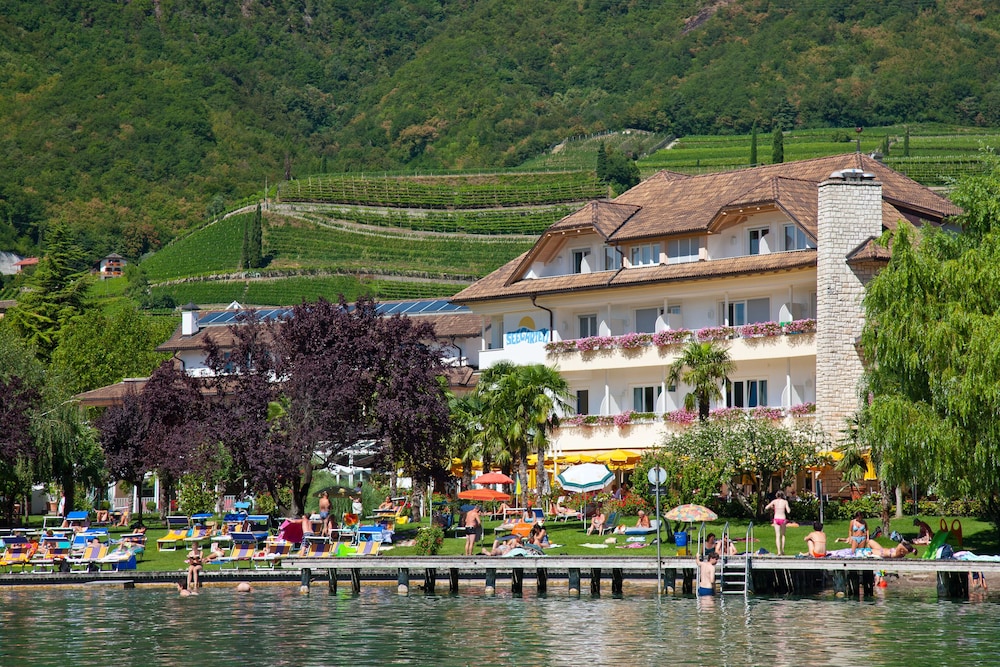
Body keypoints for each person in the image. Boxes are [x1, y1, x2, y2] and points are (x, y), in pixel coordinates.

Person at [764, 491, 790, 555]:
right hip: (783, 518)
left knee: (777, 536)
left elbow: (766, 507)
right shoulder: (785, 502)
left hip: (776, 518)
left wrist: (772, 507)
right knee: (783, 535)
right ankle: (783, 550)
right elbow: (788, 511)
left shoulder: (774, 501)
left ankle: (778, 551)